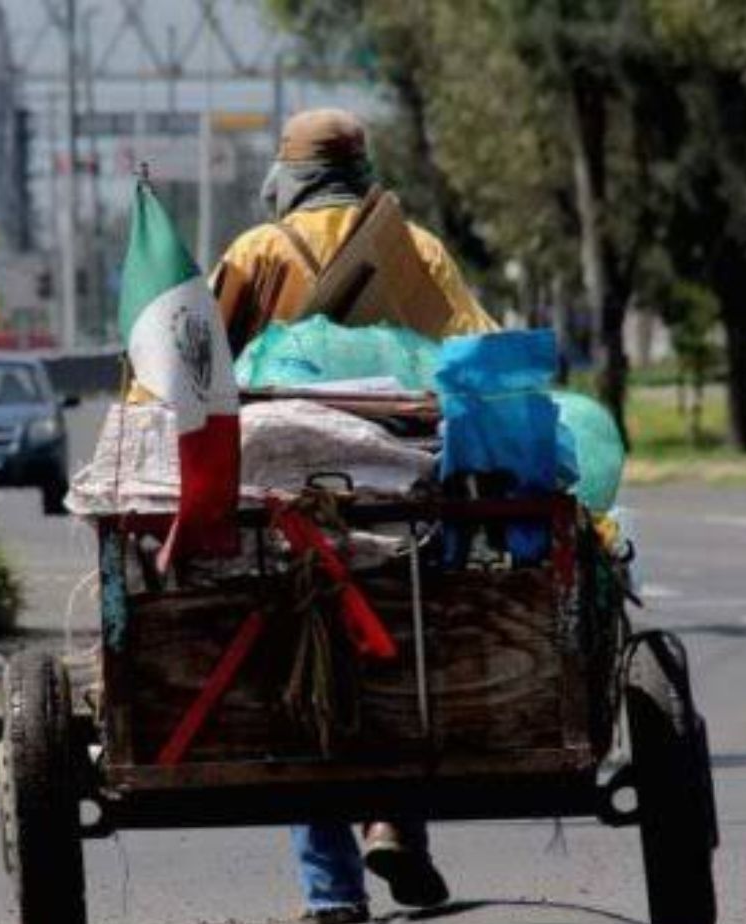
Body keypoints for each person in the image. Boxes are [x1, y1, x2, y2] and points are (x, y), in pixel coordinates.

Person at [211, 109, 498, 924]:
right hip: (404, 508)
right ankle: (397, 824)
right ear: (360, 174)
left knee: (301, 668)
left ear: (288, 177)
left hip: (286, 519)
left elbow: (190, 373)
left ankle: (332, 891)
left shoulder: (255, 254)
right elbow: (477, 356)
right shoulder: (415, 251)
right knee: (407, 651)